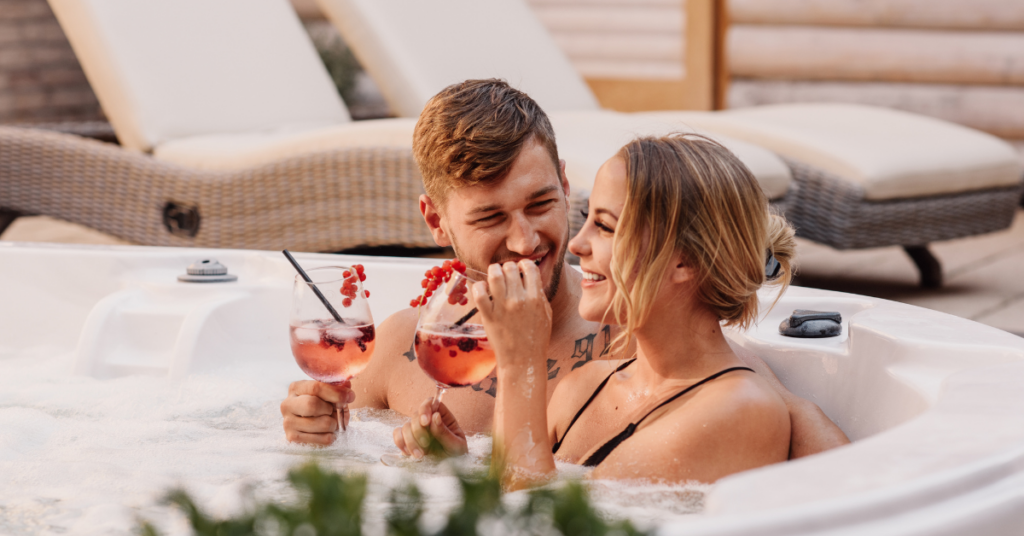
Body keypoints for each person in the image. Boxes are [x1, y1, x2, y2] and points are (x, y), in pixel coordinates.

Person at [280, 79, 848, 461]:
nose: (526, 240)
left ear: (565, 184)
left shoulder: (641, 334)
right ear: (436, 221)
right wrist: (320, 432)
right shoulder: (404, 348)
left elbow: (828, 464)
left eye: (541, 204)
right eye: (491, 217)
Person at [474, 134, 804, 488]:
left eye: (605, 226)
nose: (577, 244)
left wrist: (519, 363)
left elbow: (526, 515)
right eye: (586, 217)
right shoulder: (581, 389)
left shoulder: (741, 410)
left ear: (685, 261)